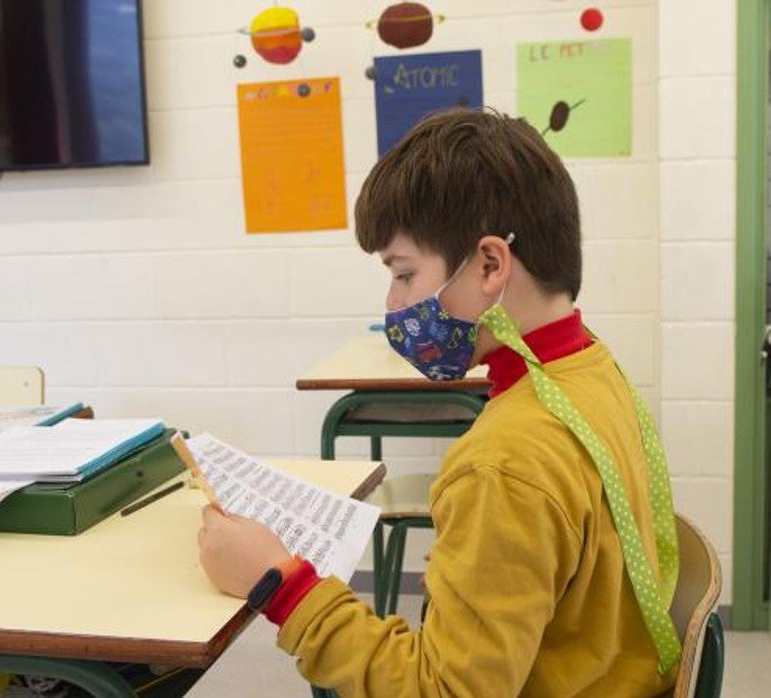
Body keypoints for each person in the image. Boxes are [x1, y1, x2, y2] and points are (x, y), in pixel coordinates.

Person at [197, 109, 681, 696]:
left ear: (489, 265)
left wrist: (280, 584)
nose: (393, 301)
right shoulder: (593, 369)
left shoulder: (502, 465)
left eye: (403, 273)